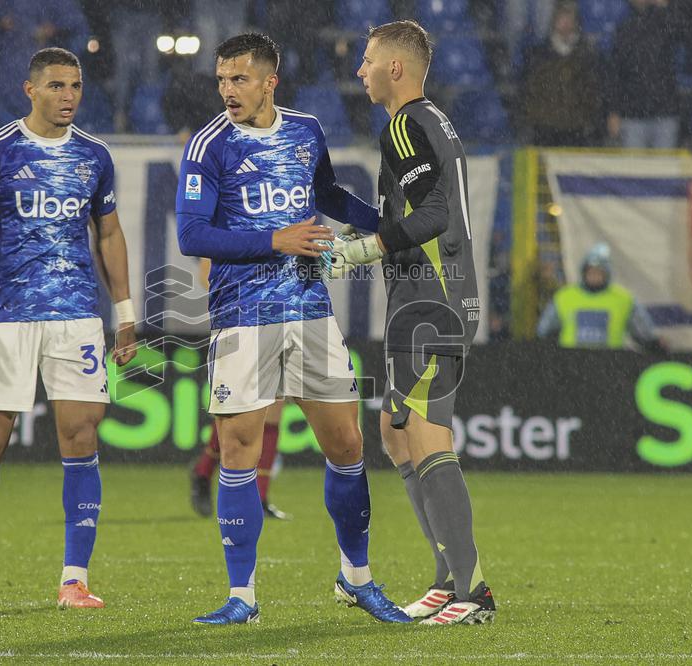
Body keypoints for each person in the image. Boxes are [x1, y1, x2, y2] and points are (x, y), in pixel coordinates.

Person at [175, 32, 409, 625]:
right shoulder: (209, 146)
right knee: (239, 452)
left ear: (269, 81)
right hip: (241, 318)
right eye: (222, 79)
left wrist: (386, 224)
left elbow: (326, 193)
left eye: (241, 79)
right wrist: (274, 240)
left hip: (310, 311)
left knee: (348, 446)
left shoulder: (306, 131)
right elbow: (192, 236)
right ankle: (242, 596)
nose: (229, 90)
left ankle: (356, 577)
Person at [0, 47, 136, 610]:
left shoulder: (95, 156)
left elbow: (110, 236)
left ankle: (75, 578)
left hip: (76, 318)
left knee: (81, 439)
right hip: (7, 319)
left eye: (75, 86)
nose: (68, 96)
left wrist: (125, 316)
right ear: (30, 90)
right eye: (56, 86)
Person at [341, 18, 496, 625]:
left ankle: (473, 591)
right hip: (425, 296)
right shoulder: (428, 123)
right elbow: (410, 208)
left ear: (395, 68)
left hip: (433, 297)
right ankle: (446, 577)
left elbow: (433, 212)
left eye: (368, 59)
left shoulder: (406, 124)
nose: (361, 71)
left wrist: (365, 249)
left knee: (428, 435)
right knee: (395, 431)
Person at [189, 259, 289, 520]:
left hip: (278, 319)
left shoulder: (281, 224)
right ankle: (203, 471)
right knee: (236, 412)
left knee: (275, 407)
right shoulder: (231, 224)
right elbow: (206, 273)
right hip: (239, 321)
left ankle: (261, 495)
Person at [537, 243, 664, 351]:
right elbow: (546, 332)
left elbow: (642, 333)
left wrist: (655, 345)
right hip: (570, 362)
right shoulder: (564, 296)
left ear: (607, 274)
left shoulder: (623, 299)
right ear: (583, 273)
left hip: (610, 363)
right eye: (591, 272)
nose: (594, 276)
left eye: (599, 272)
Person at [517, 2, 603, 146]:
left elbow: (592, 93)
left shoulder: (587, 55)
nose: (566, 23)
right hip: (545, 132)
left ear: (576, 22)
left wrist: (585, 120)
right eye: (562, 17)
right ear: (554, 20)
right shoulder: (538, 55)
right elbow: (529, 94)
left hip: (577, 132)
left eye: (570, 18)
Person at [607, 0, 681, 149]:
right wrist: (614, 111)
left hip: (665, 113)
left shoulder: (666, 21)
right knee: (635, 170)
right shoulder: (624, 29)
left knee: (665, 168)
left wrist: (665, 5)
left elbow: (686, 30)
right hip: (633, 115)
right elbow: (615, 74)